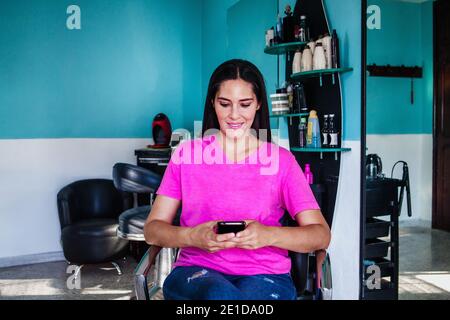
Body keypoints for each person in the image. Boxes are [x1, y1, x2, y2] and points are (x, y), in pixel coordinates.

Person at [144, 59, 331, 300]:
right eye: (224, 104)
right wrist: (192, 237)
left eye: (245, 104)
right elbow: (152, 230)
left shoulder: (281, 162)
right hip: (197, 273)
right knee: (219, 295)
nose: (234, 115)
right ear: (213, 103)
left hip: (266, 276)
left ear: (258, 104)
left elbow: (320, 235)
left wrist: (268, 235)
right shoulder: (186, 156)